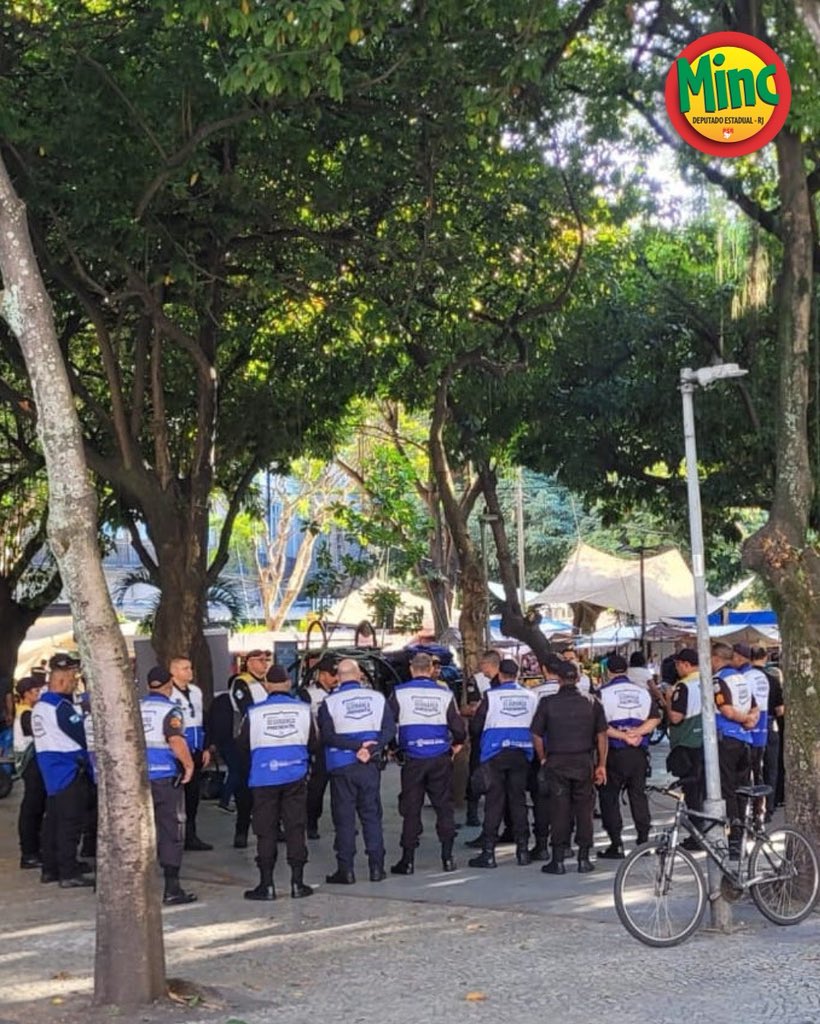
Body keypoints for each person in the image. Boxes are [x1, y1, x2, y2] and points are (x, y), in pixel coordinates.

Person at [237, 664, 316, 901]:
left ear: (267, 686)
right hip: (295, 776)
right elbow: (315, 742)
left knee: (265, 830)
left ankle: (267, 885)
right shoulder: (304, 710)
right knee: (295, 827)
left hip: (263, 777)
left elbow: (241, 745)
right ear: (289, 684)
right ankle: (297, 883)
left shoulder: (253, 712)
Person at [388, 651, 466, 875]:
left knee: (411, 809)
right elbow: (458, 728)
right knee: (444, 807)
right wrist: (455, 746)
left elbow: (387, 724)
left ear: (412, 669)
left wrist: (394, 749)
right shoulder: (444, 694)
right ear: (431, 670)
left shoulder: (400, 693)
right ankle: (448, 858)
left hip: (413, 757)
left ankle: (408, 860)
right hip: (439, 756)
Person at [318, 658, 395, 884]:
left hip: (341, 766)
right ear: (359, 674)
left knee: (344, 819)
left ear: (339, 677)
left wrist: (354, 747)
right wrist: (371, 747)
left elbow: (328, 736)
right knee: (371, 815)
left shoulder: (329, 702)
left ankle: (346, 870)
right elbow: (389, 729)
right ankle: (376, 868)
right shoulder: (377, 698)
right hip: (369, 765)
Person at [532, 660, 607, 874]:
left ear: (558, 678)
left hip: (557, 761)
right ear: (577, 678)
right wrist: (601, 764)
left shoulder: (548, 702)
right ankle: (584, 858)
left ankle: (558, 859)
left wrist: (543, 758)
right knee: (584, 810)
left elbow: (536, 734)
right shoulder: (592, 702)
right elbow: (602, 735)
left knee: (559, 809)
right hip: (584, 761)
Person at [467, 658, 538, 869]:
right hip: (521, 752)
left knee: (494, 802)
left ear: (500, 675)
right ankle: (523, 851)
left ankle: (488, 852)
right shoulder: (531, 696)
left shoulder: (491, 696)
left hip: (495, 753)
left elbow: (476, 725)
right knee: (518, 802)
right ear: (517, 675)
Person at [32, 653, 93, 888]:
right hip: (68, 770)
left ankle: (51, 869)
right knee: (70, 823)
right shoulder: (61, 707)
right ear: (60, 680)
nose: (74, 682)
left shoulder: (40, 706)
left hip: (50, 770)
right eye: (71, 678)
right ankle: (68, 872)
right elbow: (81, 736)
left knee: (53, 823)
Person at [141, 665, 197, 905]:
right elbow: (175, 740)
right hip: (164, 777)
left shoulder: (137, 708)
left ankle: (139, 888)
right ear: (169, 685)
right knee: (170, 829)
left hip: (139, 779)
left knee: (140, 832)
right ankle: (172, 888)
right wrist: (189, 765)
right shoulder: (171, 709)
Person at [597, 653, 661, 858]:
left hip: (614, 752)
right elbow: (655, 719)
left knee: (609, 798)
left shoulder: (602, 693)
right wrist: (637, 733)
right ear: (626, 670)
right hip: (638, 752)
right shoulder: (642, 692)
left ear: (608, 672)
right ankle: (643, 840)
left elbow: (600, 727)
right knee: (638, 795)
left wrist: (622, 736)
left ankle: (616, 843)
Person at [206, 650, 269, 845]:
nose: (264, 664)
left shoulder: (265, 683)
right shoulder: (242, 682)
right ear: (248, 663)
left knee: (267, 789)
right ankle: (241, 831)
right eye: (259, 660)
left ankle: (272, 828)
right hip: (246, 743)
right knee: (244, 789)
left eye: (266, 660)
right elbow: (247, 711)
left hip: (264, 742)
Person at [711, 641, 759, 858]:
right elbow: (755, 706)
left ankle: (734, 840)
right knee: (742, 790)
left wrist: (743, 718)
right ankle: (744, 838)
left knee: (728, 791)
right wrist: (750, 721)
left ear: (716, 659)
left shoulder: (719, 680)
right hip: (745, 740)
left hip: (727, 739)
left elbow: (728, 711)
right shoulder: (742, 678)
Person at [169, 656, 212, 852]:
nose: (190, 672)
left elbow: (201, 720)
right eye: (185, 668)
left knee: (193, 796)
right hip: (178, 749)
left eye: (190, 668)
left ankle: (191, 835)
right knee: (176, 797)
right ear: (174, 671)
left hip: (196, 747)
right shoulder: (168, 692)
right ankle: (174, 836)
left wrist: (206, 747)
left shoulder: (196, 692)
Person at [663, 648, 704, 845]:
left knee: (692, 792)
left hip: (687, 742)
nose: (677, 668)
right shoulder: (708, 681)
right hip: (705, 742)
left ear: (685, 664)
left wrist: (669, 699)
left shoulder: (683, 686)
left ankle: (697, 835)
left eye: (678, 664)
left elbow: (675, 717)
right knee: (704, 789)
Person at [527, 655, 563, 861]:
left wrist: (540, 757)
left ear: (543, 669)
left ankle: (541, 844)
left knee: (541, 799)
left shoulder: (534, 694)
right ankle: (564, 843)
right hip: (570, 752)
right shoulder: (577, 694)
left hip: (542, 753)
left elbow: (533, 729)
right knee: (566, 800)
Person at [301, 653, 338, 839]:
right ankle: (311, 823)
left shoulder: (340, 693)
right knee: (316, 788)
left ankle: (342, 822)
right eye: (332, 674)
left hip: (339, 746)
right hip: (319, 747)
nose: (336, 678)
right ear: (322, 674)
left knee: (341, 789)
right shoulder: (308, 693)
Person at [462, 650, 500, 829]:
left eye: (483, 663)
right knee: (476, 771)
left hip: (496, 732)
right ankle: (472, 811)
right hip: (481, 733)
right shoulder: (476, 679)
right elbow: (473, 706)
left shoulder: (503, 679)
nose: (481, 666)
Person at [13, 676, 46, 869]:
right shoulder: (26, 714)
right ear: (26, 694)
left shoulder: (28, 711)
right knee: (31, 808)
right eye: (35, 691)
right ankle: (29, 852)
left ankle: (33, 849)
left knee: (35, 808)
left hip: (33, 765)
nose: (38, 694)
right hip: (30, 765)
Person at [751, 645, 784, 820]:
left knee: (755, 769)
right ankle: (769, 807)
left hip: (750, 725)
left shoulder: (745, 677)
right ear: (765, 658)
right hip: (770, 724)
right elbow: (780, 710)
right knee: (771, 767)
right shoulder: (772, 679)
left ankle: (756, 808)